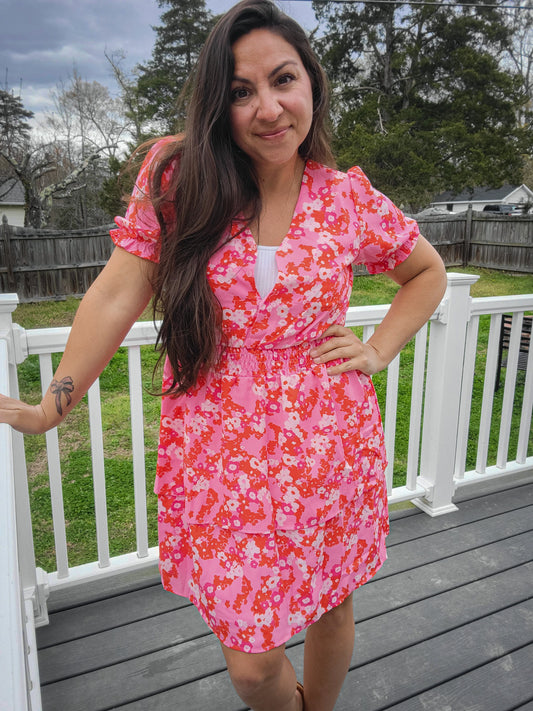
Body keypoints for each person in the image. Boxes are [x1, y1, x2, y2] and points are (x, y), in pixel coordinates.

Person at [0, 1, 447, 709]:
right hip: (217, 447)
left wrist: (376, 348)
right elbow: (117, 293)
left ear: (313, 87)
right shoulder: (182, 179)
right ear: (219, 103)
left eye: (283, 80)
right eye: (241, 91)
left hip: (325, 438)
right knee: (251, 663)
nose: (267, 108)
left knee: (330, 602)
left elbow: (426, 273)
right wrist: (56, 402)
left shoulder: (347, 199)